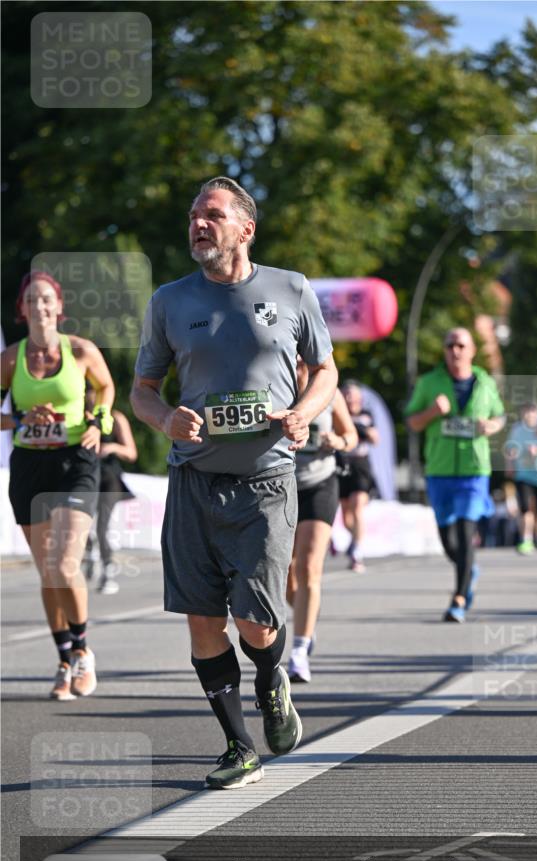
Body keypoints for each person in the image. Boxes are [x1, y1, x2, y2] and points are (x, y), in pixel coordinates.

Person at [131, 176, 337, 790]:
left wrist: (304, 411)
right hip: (193, 479)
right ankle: (238, 746)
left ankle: (271, 678)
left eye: (213, 215)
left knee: (256, 624)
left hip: (267, 479)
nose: (199, 223)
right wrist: (165, 419)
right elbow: (143, 390)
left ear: (245, 228)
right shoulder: (170, 301)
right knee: (201, 619)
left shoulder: (291, 289)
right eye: (194, 214)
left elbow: (325, 370)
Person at [0, 271, 114, 699]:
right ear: (22, 308)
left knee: (65, 565)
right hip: (29, 467)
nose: (41, 306)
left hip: (75, 462)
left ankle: (83, 652)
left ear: (59, 307)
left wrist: (98, 422)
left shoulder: (81, 350)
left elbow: (106, 387)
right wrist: (20, 419)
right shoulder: (11, 359)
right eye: (32, 299)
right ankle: (64, 660)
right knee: (48, 573)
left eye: (47, 298)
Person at [406, 327, 505, 622]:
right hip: (440, 470)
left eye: (461, 345)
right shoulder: (429, 382)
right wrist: (432, 412)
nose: (455, 351)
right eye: (450, 345)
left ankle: (459, 599)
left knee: (465, 533)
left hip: (474, 471)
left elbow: (500, 415)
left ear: (472, 350)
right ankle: (469, 570)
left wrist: (492, 426)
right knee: (449, 542)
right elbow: (412, 422)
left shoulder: (485, 383)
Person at [286, 358, 358, 682]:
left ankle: (299, 651)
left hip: (320, 483)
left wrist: (338, 442)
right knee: (285, 575)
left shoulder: (328, 388)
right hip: (281, 486)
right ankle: (307, 618)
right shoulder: (274, 385)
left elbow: (351, 435)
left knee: (309, 567)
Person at [84, 403, 138, 594]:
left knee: (102, 527)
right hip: (85, 478)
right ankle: (89, 554)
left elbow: (131, 453)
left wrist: (112, 447)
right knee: (80, 525)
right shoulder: (78, 416)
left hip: (109, 479)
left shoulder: (115, 418)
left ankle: (107, 571)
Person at [338, 380, 379, 572]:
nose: (349, 399)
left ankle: (357, 552)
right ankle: (355, 539)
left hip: (360, 466)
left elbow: (375, 438)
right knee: (347, 517)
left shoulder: (366, 415)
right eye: (346, 395)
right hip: (342, 465)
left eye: (353, 395)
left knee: (357, 507)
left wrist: (362, 431)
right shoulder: (336, 414)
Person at [506, 401, 537, 555]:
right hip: (523, 475)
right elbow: (510, 449)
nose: (528, 415)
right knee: (525, 507)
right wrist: (510, 464)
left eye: (532, 412)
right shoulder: (517, 429)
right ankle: (526, 539)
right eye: (525, 412)